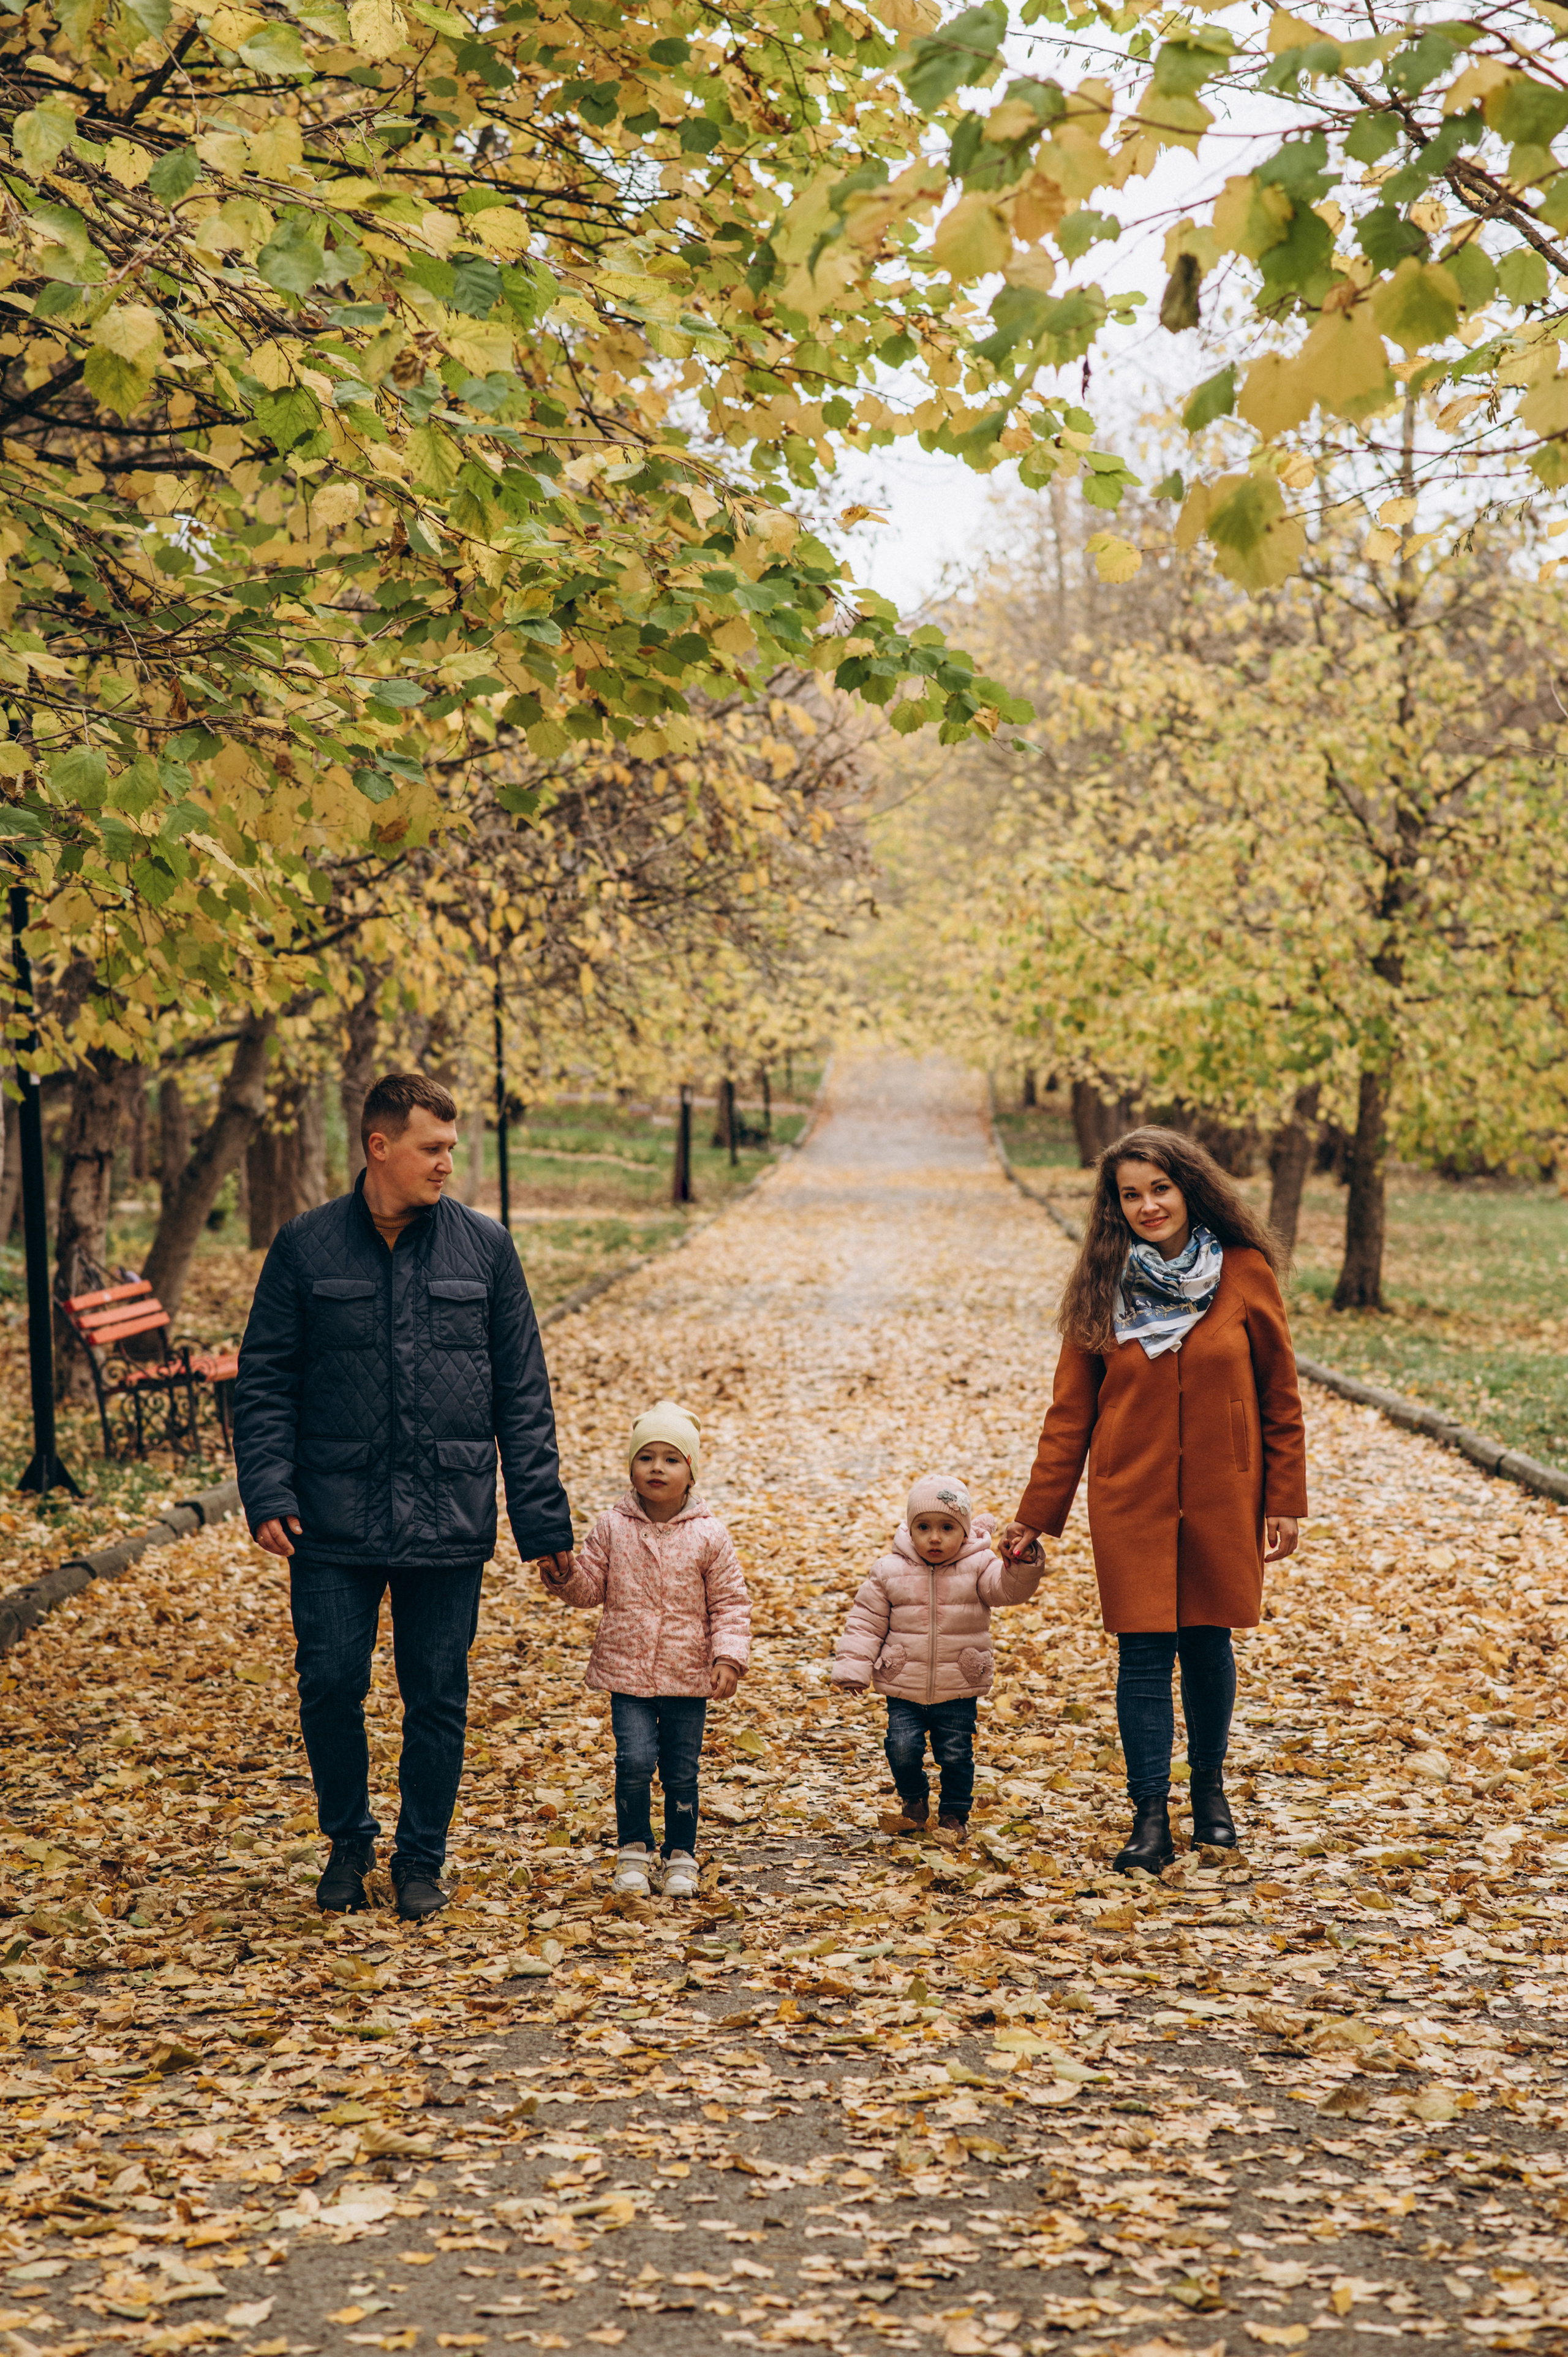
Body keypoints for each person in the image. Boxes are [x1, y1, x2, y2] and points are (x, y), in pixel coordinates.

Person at [235, 1070, 575, 1923]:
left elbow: (522, 1393)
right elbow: (266, 1379)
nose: (446, 1164)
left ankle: (422, 1855)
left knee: (437, 1692)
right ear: (379, 1145)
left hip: (447, 1515)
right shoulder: (305, 1246)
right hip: (330, 1517)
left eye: (452, 1148)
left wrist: (542, 1521)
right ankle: (349, 1843)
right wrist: (267, 1487)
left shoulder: (485, 1248)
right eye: (432, 1147)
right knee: (329, 1682)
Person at [1001, 1127, 1308, 1875]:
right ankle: (1147, 1818)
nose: (1146, 1206)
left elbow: (1280, 1394)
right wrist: (1036, 1514)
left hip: (1221, 1493)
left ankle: (1210, 1800)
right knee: (1143, 1653)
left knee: (1207, 1642)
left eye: (1159, 1189)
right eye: (1129, 1194)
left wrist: (1284, 1496)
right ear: (1114, 1206)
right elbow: (1070, 1412)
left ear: (1188, 1188)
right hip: (1129, 1496)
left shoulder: (1244, 1273)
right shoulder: (1101, 1286)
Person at [538, 1401, 749, 1899]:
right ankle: (634, 1848)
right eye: (646, 1457)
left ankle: (681, 1853)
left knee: (681, 1769)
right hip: (627, 1672)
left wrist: (728, 1657)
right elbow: (591, 1589)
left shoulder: (709, 1534)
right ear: (631, 1466)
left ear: (691, 1471)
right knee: (633, 1761)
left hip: (687, 1673)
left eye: (672, 1458)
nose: (658, 1467)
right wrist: (565, 1574)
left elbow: (730, 1601)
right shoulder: (613, 1527)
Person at [832, 1475, 1044, 1841]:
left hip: (959, 1683)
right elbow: (865, 1622)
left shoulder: (979, 1566)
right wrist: (854, 1667)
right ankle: (913, 1798)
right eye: (924, 1527)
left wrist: (1021, 1564)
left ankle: (954, 1813)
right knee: (901, 1748)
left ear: (964, 1532)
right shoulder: (889, 1570)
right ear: (909, 1529)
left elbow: (1008, 1590)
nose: (934, 1537)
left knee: (957, 1754)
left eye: (947, 1527)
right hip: (904, 1683)